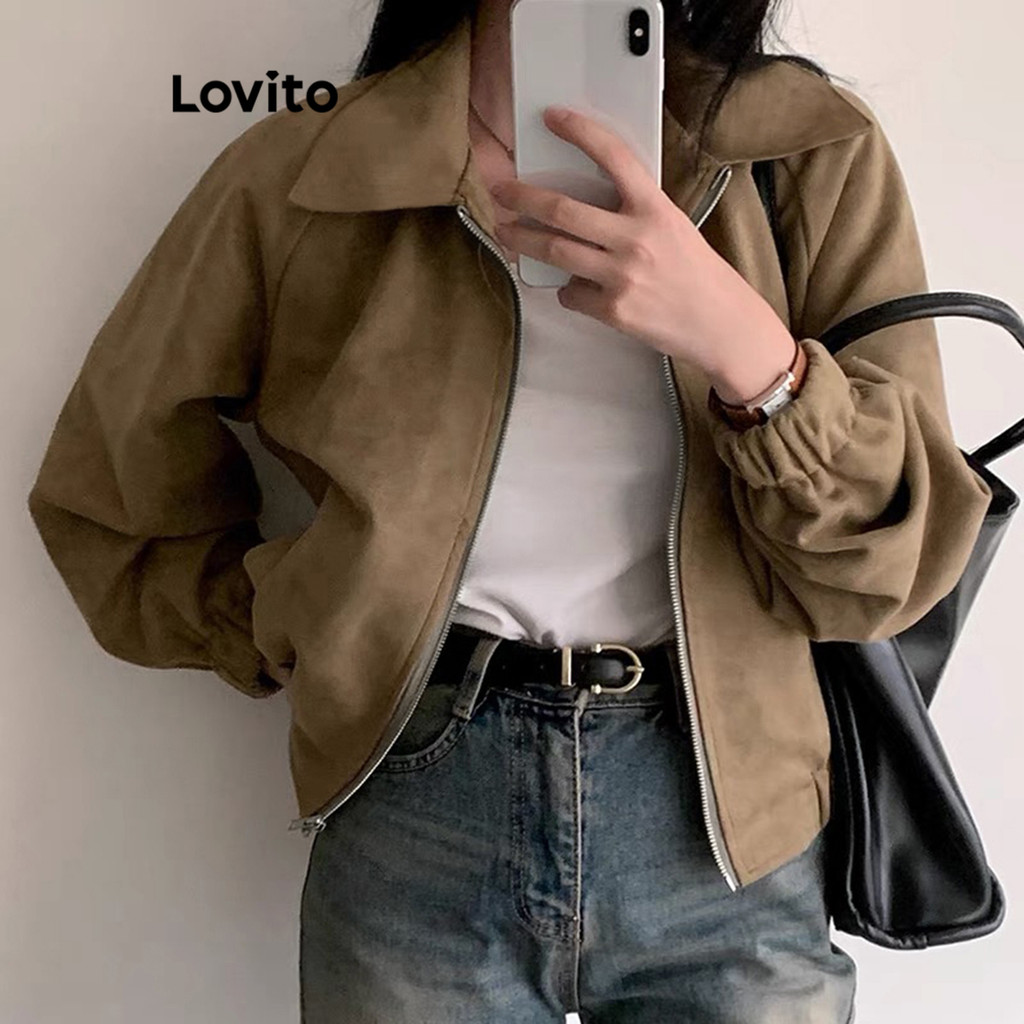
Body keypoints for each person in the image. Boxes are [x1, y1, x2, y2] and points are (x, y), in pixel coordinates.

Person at [27, 1, 993, 1021]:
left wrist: (751, 354)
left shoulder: (804, 151)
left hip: (731, 828)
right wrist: (295, 620)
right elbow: (112, 483)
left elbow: (891, 565)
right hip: (421, 809)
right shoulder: (311, 169)